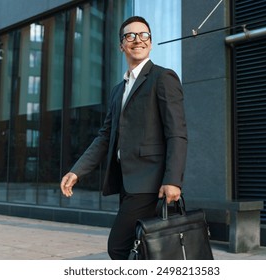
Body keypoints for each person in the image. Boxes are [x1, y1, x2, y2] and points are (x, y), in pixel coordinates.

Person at [60, 16, 187, 260]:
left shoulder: (163, 78)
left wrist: (173, 180)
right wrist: (77, 171)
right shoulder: (119, 89)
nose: (137, 40)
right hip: (127, 182)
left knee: (117, 246)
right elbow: (105, 136)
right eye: (130, 35)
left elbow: (177, 132)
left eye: (144, 35)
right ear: (122, 45)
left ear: (150, 43)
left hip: (151, 184)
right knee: (146, 246)